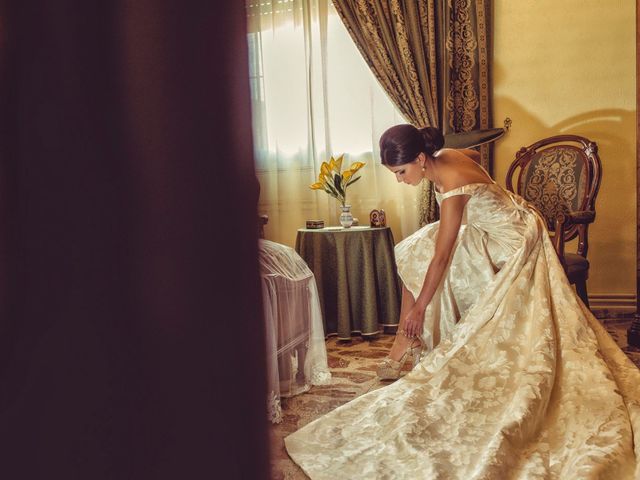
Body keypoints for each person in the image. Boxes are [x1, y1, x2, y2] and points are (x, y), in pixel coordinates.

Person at [284, 124, 640, 479]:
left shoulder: (453, 187)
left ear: (421, 160)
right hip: (502, 221)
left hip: (516, 240)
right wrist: (492, 199)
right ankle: (405, 341)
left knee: (432, 255)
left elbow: (442, 256)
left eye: (401, 172)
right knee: (413, 247)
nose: (399, 180)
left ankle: (417, 334)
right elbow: (471, 158)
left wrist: (422, 306)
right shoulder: (446, 157)